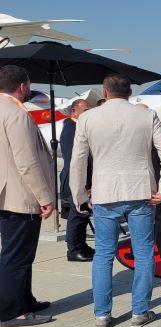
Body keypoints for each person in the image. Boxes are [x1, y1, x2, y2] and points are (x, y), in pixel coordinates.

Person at [70, 74, 161, 327]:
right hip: (140, 191)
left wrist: (79, 195)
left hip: (105, 193)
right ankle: (140, 311)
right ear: (130, 93)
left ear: (105, 92)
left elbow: (78, 160)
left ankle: (102, 315)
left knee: (104, 254)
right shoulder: (146, 115)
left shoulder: (87, 118)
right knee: (144, 252)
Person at [0, 65, 55, 327]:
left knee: (17, 253)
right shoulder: (15, 114)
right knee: (17, 256)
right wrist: (44, 197)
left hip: (4, 192)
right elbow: (27, 162)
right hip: (19, 194)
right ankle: (12, 311)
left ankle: (25, 300)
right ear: (23, 86)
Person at [59, 98, 94, 262]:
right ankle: (73, 249)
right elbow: (75, 160)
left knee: (84, 214)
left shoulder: (78, 127)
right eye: (85, 111)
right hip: (76, 179)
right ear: (74, 111)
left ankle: (81, 244)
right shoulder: (71, 129)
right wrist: (83, 183)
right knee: (77, 214)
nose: (88, 113)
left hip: (83, 178)